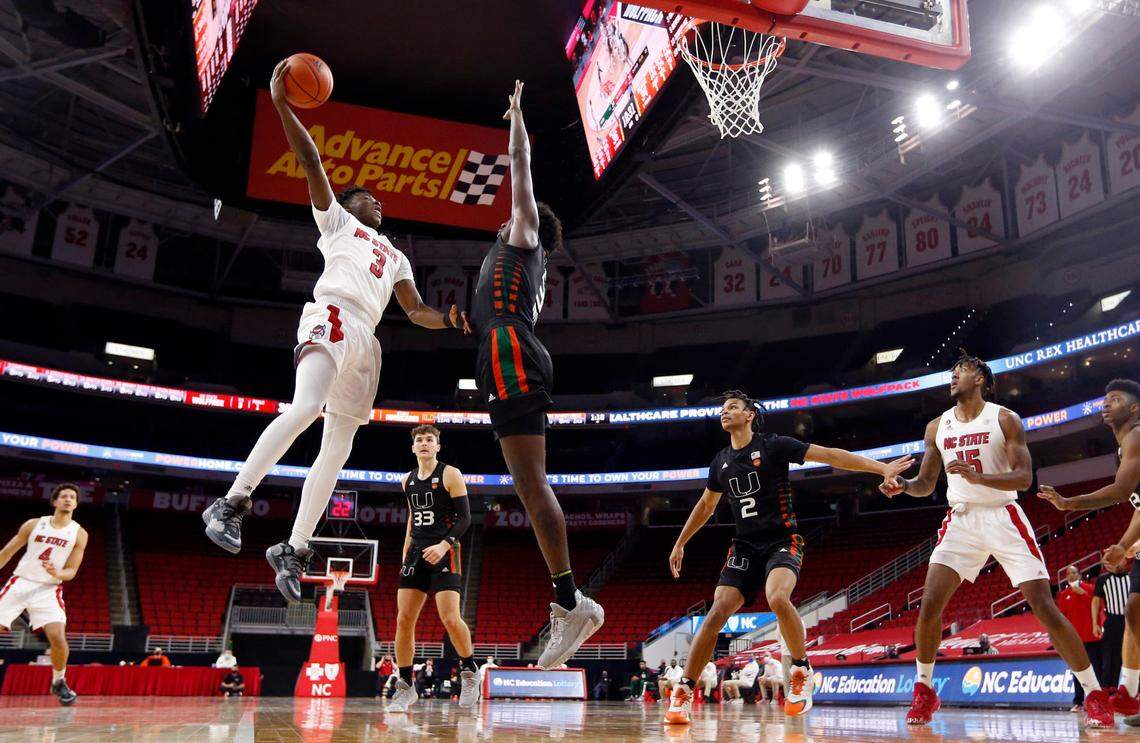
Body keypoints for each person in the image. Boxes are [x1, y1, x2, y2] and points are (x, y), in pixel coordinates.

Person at [202, 59, 470, 602]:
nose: (379, 202)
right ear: (348, 206)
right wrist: (282, 103)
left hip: (367, 341)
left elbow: (414, 310)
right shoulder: (338, 222)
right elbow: (310, 160)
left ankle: (293, 548)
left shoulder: (396, 253)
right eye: (369, 197)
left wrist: (445, 318)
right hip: (332, 314)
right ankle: (231, 501)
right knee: (303, 410)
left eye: (378, 201)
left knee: (338, 448)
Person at [882, 353, 1111, 728]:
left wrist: (978, 478)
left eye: (963, 370)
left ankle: (1094, 693)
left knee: (1044, 607)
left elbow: (1023, 478)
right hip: (961, 519)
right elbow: (924, 485)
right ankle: (924, 691)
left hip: (1002, 515)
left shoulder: (1004, 418)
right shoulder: (936, 427)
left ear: (983, 380)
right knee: (929, 605)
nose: (954, 375)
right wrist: (901, 485)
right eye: (953, 371)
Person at [664, 390, 912, 724]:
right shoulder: (720, 461)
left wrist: (880, 468)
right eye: (722, 409)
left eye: (733, 407)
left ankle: (800, 669)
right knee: (716, 612)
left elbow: (830, 455)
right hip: (745, 547)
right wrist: (681, 542)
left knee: (777, 597)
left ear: (750, 415)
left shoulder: (773, 445)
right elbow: (707, 505)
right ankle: (683, 694)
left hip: (783, 539)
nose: (725, 412)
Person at [467, 80, 603, 669]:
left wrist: (517, 118)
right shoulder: (517, 265)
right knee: (528, 487)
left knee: (532, 485)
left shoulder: (523, 239)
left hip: (510, 351)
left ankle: (573, 603)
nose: (502, 221)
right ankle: (571, 602)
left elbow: (520, 169)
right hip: (500, 352)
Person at [1038, 378, 1140, 721]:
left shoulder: (1137, 435)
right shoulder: (1125, 444)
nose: (1106, 403)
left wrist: (1069, 504)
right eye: (1105, 398)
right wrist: (1125, 545)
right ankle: (1128, 695)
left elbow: (1121, 490)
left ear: (1135, 408)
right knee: (1135, 610)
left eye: (1116, 398)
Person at [387, 425, 479, 713]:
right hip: (416, 552)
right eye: (419, 440)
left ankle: (469, 671)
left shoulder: (450, 474)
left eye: (430, 440)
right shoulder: (407, 481)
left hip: (445, 550)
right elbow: (413, 518)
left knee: (450, 618)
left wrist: (444, 544)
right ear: (413, 448)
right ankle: (405, 685)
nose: (424, 443)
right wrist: (405, 550)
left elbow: (465, 519)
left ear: (438, 446)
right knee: (403, 620)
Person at [0, 483, 87, 706]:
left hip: (49, 589)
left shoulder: (79, 533)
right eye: (64, 496)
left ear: (76, 504)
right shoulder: (34, 524)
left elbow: (72, 571)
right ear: (55, 501)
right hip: (21, 582)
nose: (69, 499)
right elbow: (7, 552)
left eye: (73, 497)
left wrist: (58, 572)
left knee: (58, 638)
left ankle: (59, 681)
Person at [1057, 565, 1100, 712]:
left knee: (1096, 670)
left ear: (1080, 575)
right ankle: (1079, 701)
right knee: (1077, 672)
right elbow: (1062, 617)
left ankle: (1097, 700)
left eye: (1074, 573)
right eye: (1068, 573)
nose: (1071, 576)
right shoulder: (1064, 595)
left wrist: (1083, 594)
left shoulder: (1090, 589)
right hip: (1074, 641)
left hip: (1092, 638)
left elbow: (1098, 607)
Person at [1095, 558, 1131, 694]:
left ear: (1125, 561)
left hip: (1132, 620)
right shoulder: (1103, 579)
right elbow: (1095, 602)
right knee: (1111, 657)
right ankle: (1109, 690)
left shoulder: (1134, 576)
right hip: (1113, 621)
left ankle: (1134, 692)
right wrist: (1095, 623)